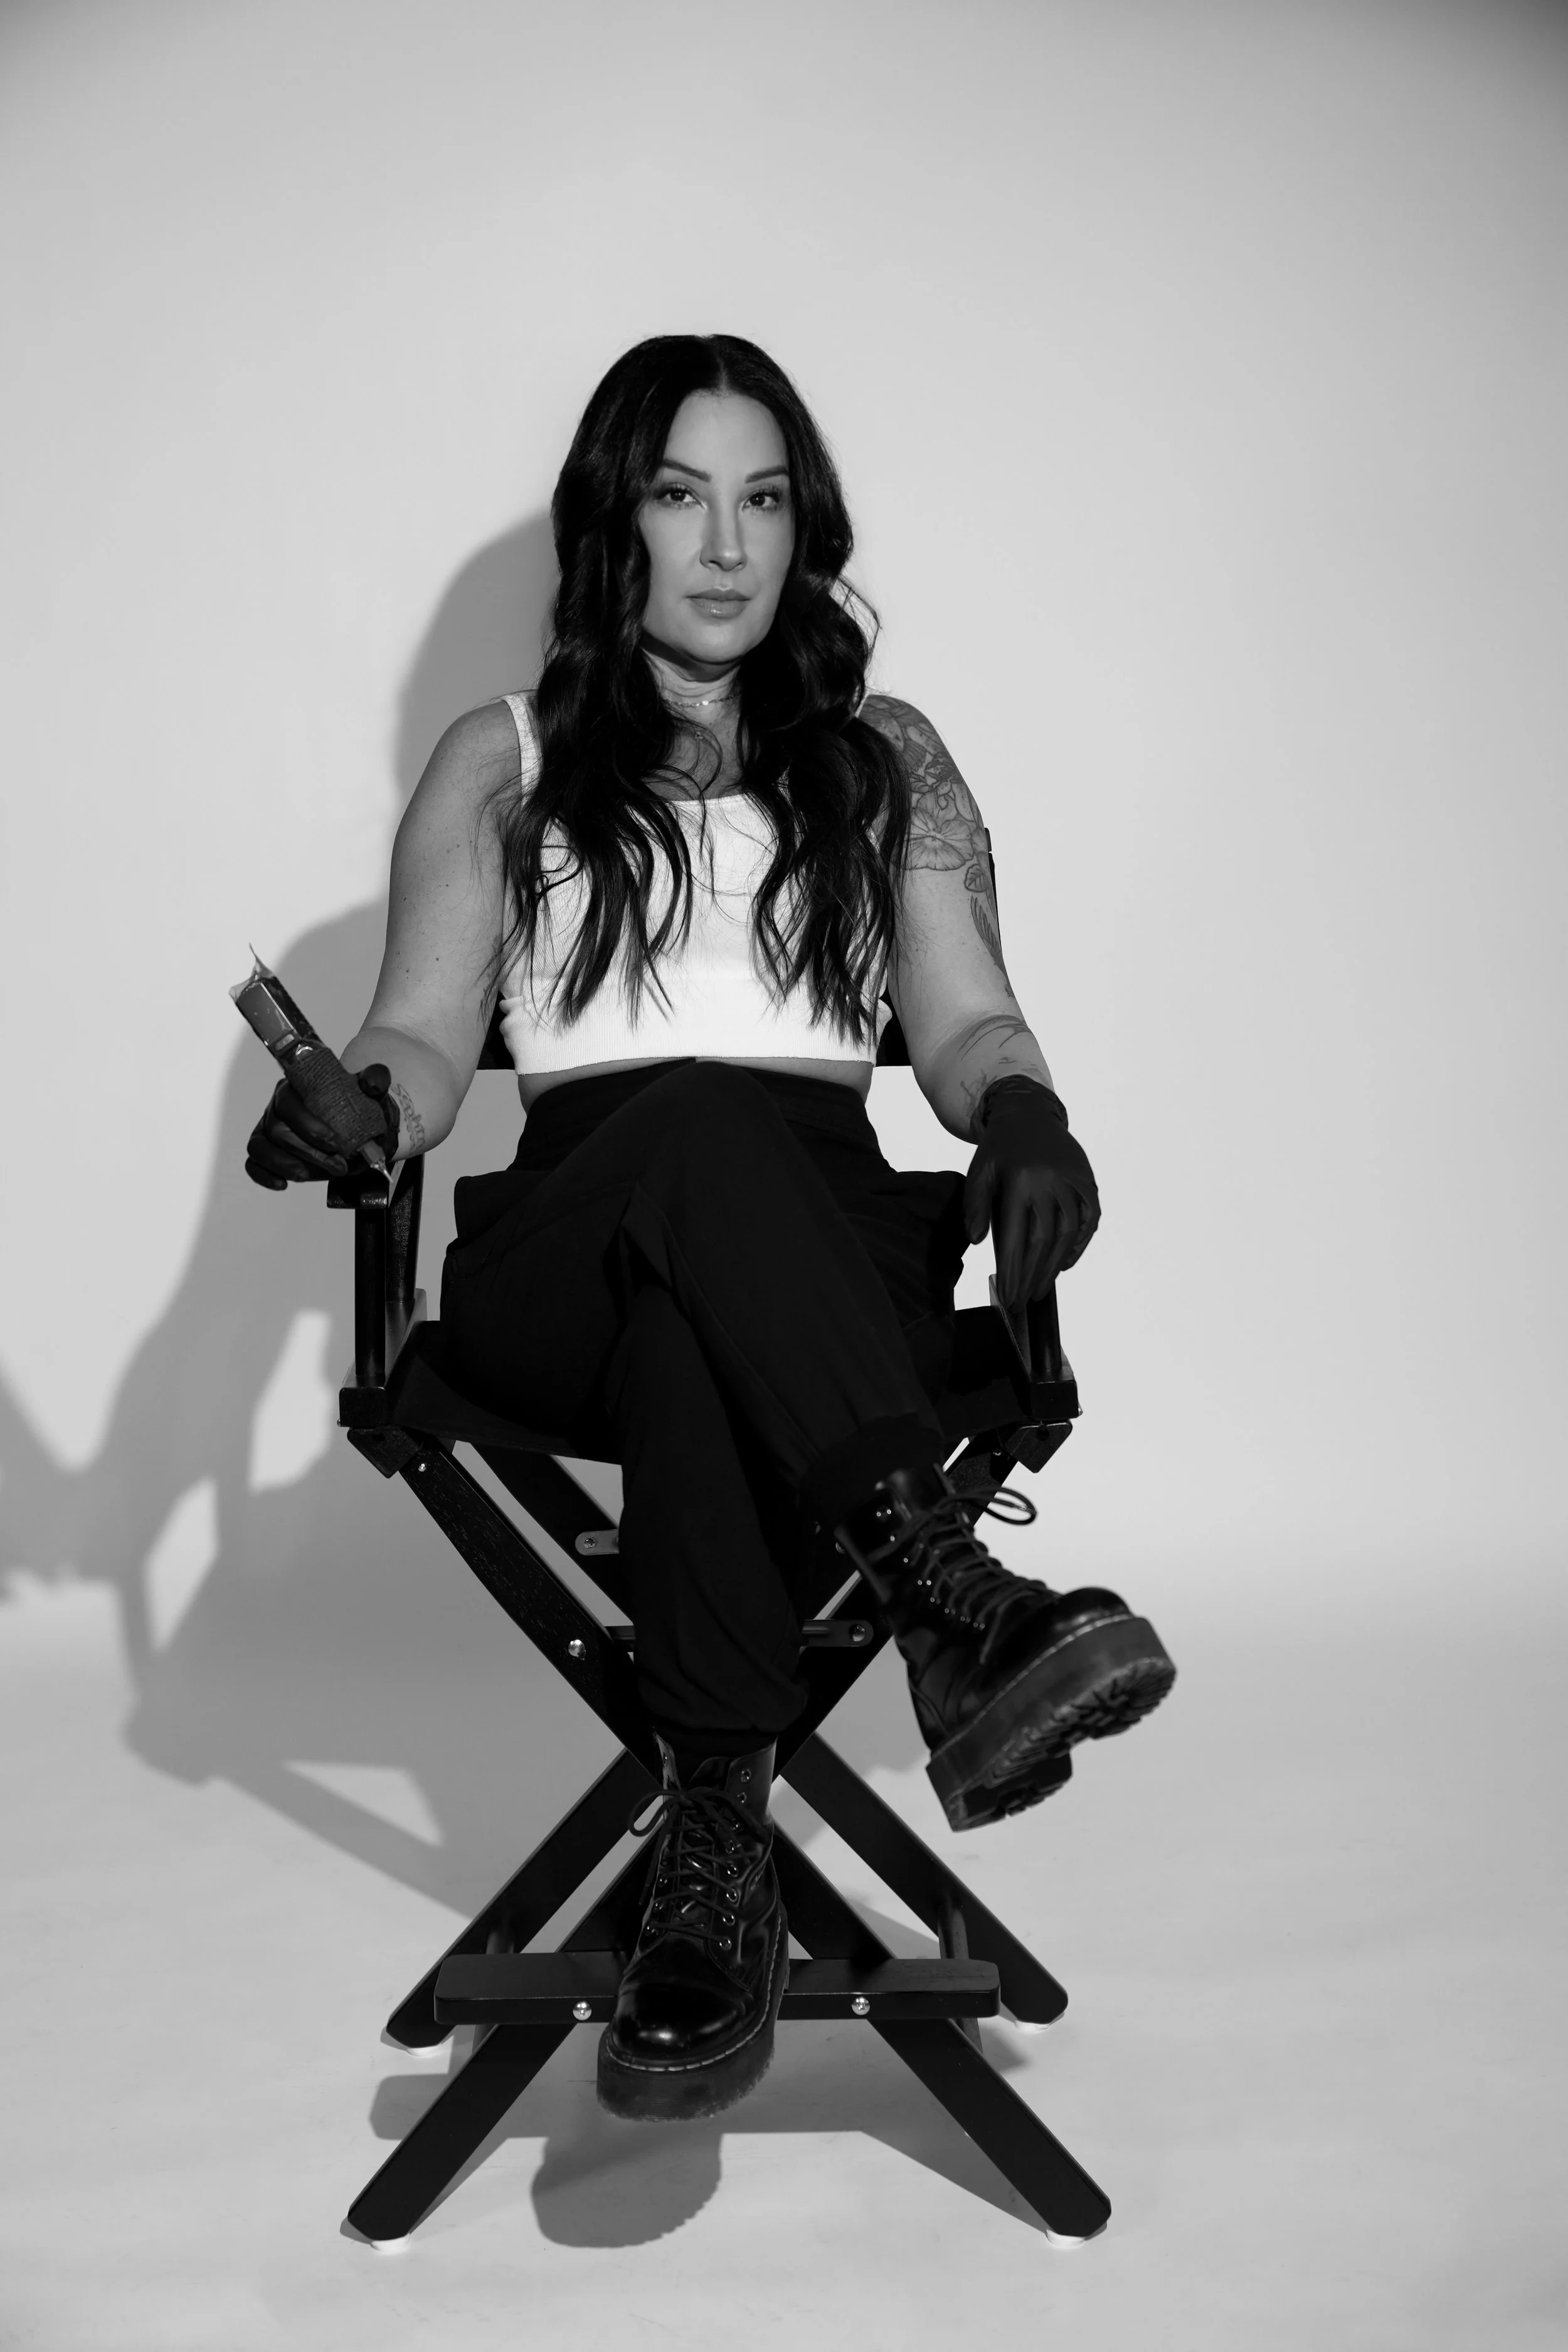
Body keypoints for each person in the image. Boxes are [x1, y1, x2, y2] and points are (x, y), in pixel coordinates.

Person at [245, 334, 1175, 2126]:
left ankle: (710, 1860)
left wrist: (1028, 1108)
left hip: (810, 1268)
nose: (727, 547)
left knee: (705, 1324)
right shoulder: (501, 757)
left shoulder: (883, 757)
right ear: (621, 524)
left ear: (799, 527)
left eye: (761, 500)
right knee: (682, 1124)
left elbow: (968, 1018)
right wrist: (355, 1107)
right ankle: (947, 1600)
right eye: (682, 496)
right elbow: (425, 1036)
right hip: (559, 1261)